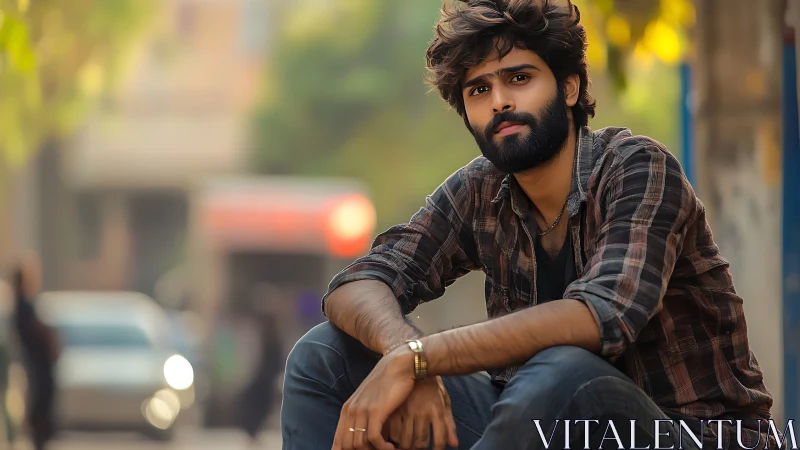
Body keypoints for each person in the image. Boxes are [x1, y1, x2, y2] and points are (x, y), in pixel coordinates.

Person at [280, 1, 779, 449]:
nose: (499, 101)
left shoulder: (637, 167)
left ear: (569, 87)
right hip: (537, 424)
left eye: (519, 79)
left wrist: (422, 357)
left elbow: (601, 316)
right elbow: (359, 281)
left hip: (687, 435)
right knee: (324, 355)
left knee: (562, 371)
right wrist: (401, 353)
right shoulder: (481, 190)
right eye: (480, 90)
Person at [11, 256, 60, 450]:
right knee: (40, 404)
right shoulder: (23, 307)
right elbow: (39, 331)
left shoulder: (24, 305)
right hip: (37, 364)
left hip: (38, 363)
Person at [236, 314, 284, 443]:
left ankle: (252, 429)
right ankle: (251, 429)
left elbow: (274, 363)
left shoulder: (273, 340)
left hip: (266, 379)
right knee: (253, 401)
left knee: (255, 402)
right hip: (265, 378)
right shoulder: (269, 338)